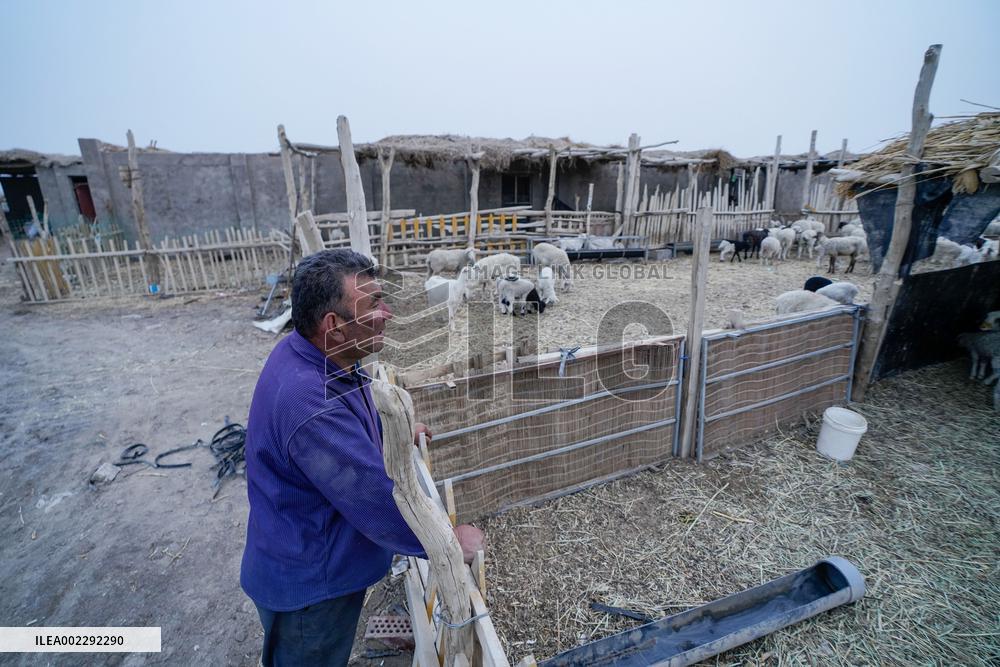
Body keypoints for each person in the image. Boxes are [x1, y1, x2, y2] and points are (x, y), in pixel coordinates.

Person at [241, 249, 484, 667]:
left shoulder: (312, 355)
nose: (388, 313)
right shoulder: (309, 404)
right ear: (333, 325)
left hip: (302, 551)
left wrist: (397, 435)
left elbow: (350, 413)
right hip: (312, 585)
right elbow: (372, 496)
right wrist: (444, 541)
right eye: (373, 305)